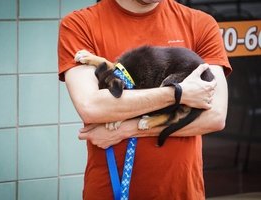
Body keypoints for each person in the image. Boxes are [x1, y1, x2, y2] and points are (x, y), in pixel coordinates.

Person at [58, 0, 232, 199]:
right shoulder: (80, 24)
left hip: (181, 191)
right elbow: (92, 106)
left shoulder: (201, 23)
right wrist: (178, 93)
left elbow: (215, 115)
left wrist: (127, 129)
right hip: (112, 190)